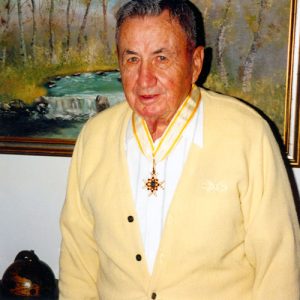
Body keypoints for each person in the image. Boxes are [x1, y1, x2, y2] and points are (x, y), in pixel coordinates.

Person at [59, 0, 300, 299]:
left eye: (161, 58)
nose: (144, 79)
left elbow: (279, 268)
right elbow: (78, 263)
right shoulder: (94, 138)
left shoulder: (248, 135)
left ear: (195, 63)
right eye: (132, 59)